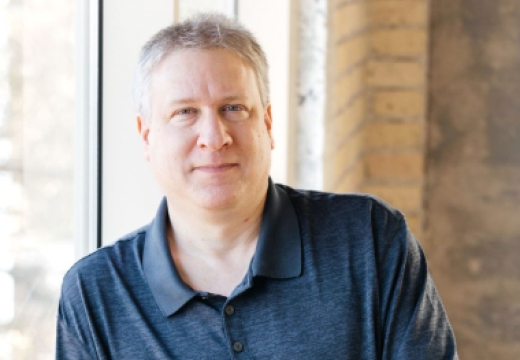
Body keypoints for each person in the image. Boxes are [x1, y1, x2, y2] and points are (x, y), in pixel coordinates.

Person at [56, 13, 458, 360]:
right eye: (185, 112)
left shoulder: (371, 240)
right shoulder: (95, 295)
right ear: (146, 136)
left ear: (267, 123)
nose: (214, 137)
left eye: (233, 108)